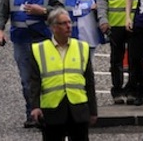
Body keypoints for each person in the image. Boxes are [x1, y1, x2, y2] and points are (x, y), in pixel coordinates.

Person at [0, 0, 64, 127]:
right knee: (26, 81)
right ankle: (31, 113)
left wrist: (44, 11)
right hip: (21, 40)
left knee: (45, 79)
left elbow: (61, 10)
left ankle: (46, 113)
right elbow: (1, 12)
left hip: (44, 39)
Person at [29, 9, 98, 140]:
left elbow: (89, 82)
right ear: (54, 27)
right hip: (52, 111)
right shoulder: (39, 50)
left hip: (78, 109)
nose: (69, 26)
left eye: (69, 22)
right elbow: (34, 82)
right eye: (64, 23)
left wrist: (93, 110)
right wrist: (35, 107)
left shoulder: (82, 47)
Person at [97, 0, 136, 104]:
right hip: (115, 25)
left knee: (135, 59)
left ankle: (133, 90)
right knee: (116, 60)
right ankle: (118, 91)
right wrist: (103, 20)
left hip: (135, 24)